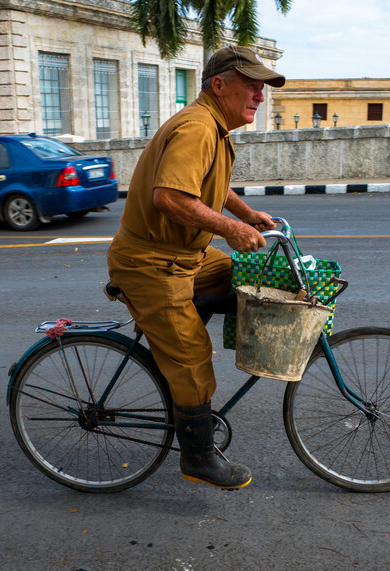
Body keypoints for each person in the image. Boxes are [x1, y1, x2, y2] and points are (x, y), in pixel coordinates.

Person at [107, 46, 285, 490]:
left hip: (188, 257)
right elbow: (169, 197)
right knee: (192, 358)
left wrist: (244, 215)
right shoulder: (198, 128)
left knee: (242, 278)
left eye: (262, 88)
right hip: (151, 264)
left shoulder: (216, 128)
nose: (259, 96)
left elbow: (211, 187)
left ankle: (183, 325)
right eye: (251, 85)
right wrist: (230, 228)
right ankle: (198, 458)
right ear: (220, 85)